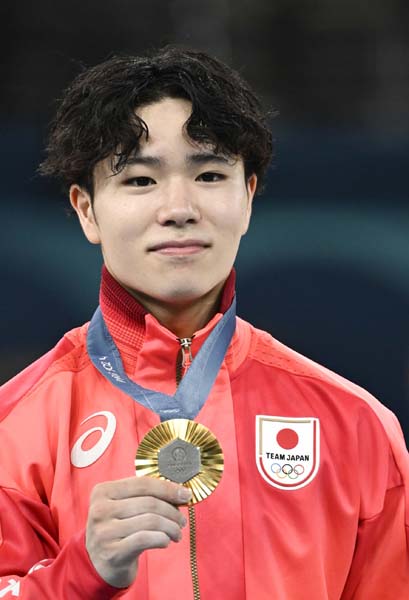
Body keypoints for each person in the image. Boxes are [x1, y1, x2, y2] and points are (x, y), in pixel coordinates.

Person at [0, 46, 408, 600]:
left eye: (210, 174)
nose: (179, 208)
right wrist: (80, 573)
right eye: (140, 180)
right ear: (86, 210)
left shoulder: (357, 425)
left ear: (248, 198)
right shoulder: (14, 428)